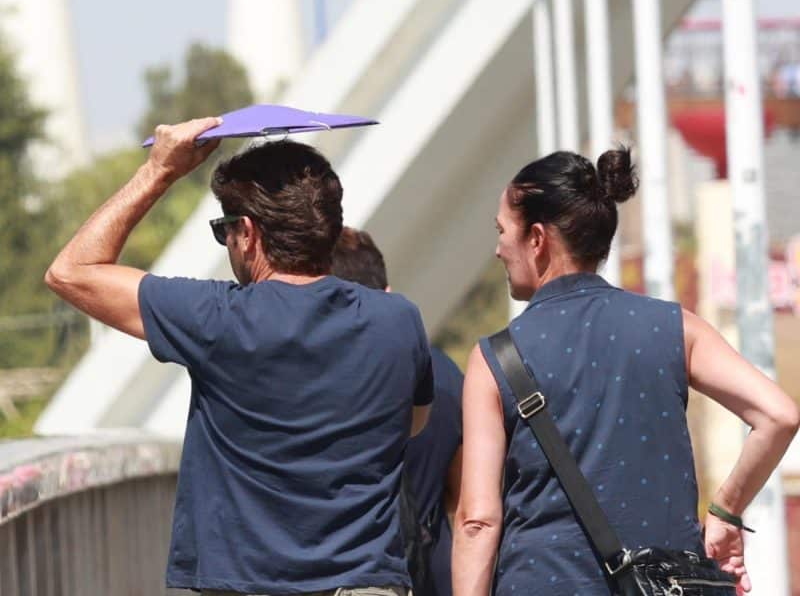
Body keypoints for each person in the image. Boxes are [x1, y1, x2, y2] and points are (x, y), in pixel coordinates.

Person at [45, 118, 434, 596]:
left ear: (246, 233)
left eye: (223, 230)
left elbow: (71, 271)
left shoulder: (216, 319)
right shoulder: (398, 319)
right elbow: (413, 424)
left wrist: (159, 171)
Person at [451, 149, 800, 595]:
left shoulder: (494, 359)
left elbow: (477, 521)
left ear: (537, 239)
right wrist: (726, 511)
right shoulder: (675, 328)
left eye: (502, 231)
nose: (498, 249)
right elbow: (778, 415)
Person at [331, 227, 464, 596]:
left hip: (353, 575)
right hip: (433, 573)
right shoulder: (444, 374)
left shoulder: (319, 382)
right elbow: (464, 499)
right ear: (387, 293)